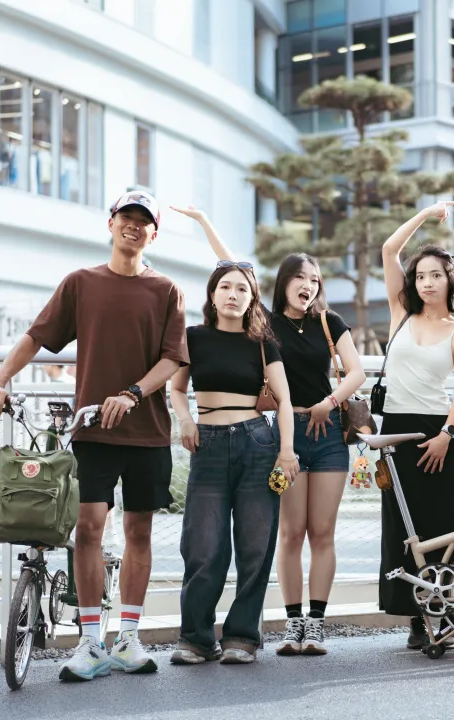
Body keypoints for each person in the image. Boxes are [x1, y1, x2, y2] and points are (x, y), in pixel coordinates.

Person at [0, 189, 186, 682]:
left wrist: (133, 394)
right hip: (92, 432)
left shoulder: (166, 290)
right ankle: (91, 641)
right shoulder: (81, 283)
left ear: (154, 233)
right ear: (110, 223)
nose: (133, 226)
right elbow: (37, 335)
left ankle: (129, 638)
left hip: (148, 431)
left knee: (139, 532)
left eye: (143, 221)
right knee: (88, 529)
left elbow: (174, 358)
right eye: (126, 217)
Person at [170, 205, 368, 657]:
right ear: (283, 282)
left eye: (315, 279)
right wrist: (204, 221)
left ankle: (310, 626)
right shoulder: (264, 323)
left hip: (324, 432)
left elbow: (355, 371)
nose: (308, 285)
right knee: (284, 533)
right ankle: (287, 625)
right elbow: (233, 273)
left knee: (317, 532)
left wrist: (329, 402)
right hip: (279, 431)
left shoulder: (328, 322)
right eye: (300, 277)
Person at [168, 260, 300, 665]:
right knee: (202, 545)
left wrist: (286, 452)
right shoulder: (193, 337)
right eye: (225, 286)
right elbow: (176, 389)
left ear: (252, 298)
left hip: (256, 442)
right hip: (206, 443)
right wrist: (185, 420)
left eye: (242, 289)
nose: (233, 294)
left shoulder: (263, 342)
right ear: (212, 294)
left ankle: (242, 637)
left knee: (255, 544)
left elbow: (285, 402)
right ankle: (196, 638)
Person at [378, 200, 454, 649]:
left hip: (440, 432)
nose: (427, 282)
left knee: (446, 527)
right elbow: (389, 249)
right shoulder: (401, 314)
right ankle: (418, 621)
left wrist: (446, 435)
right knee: (405, 530)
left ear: (450, 280)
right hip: (396, 432)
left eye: (436, 275)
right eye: (420, 276)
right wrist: (425, 214)